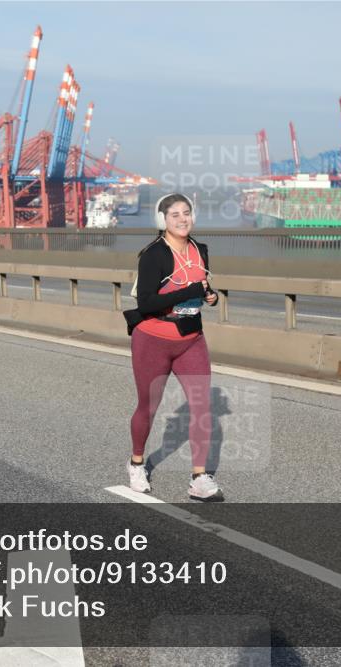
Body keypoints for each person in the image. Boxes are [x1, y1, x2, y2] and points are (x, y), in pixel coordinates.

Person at [125, 193, 222, 501]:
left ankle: (199, 478)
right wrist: (187, 291)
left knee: (202, 406)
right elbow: (147, 301)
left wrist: (210, 296)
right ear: (162, 220)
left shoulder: (200, 250)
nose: (182, 219)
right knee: (148, 406)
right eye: (174, 215)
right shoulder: (154, 254)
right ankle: (136, 463)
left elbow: (201, 288)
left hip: (191, 338)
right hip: (153, 338)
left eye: (186, 213)